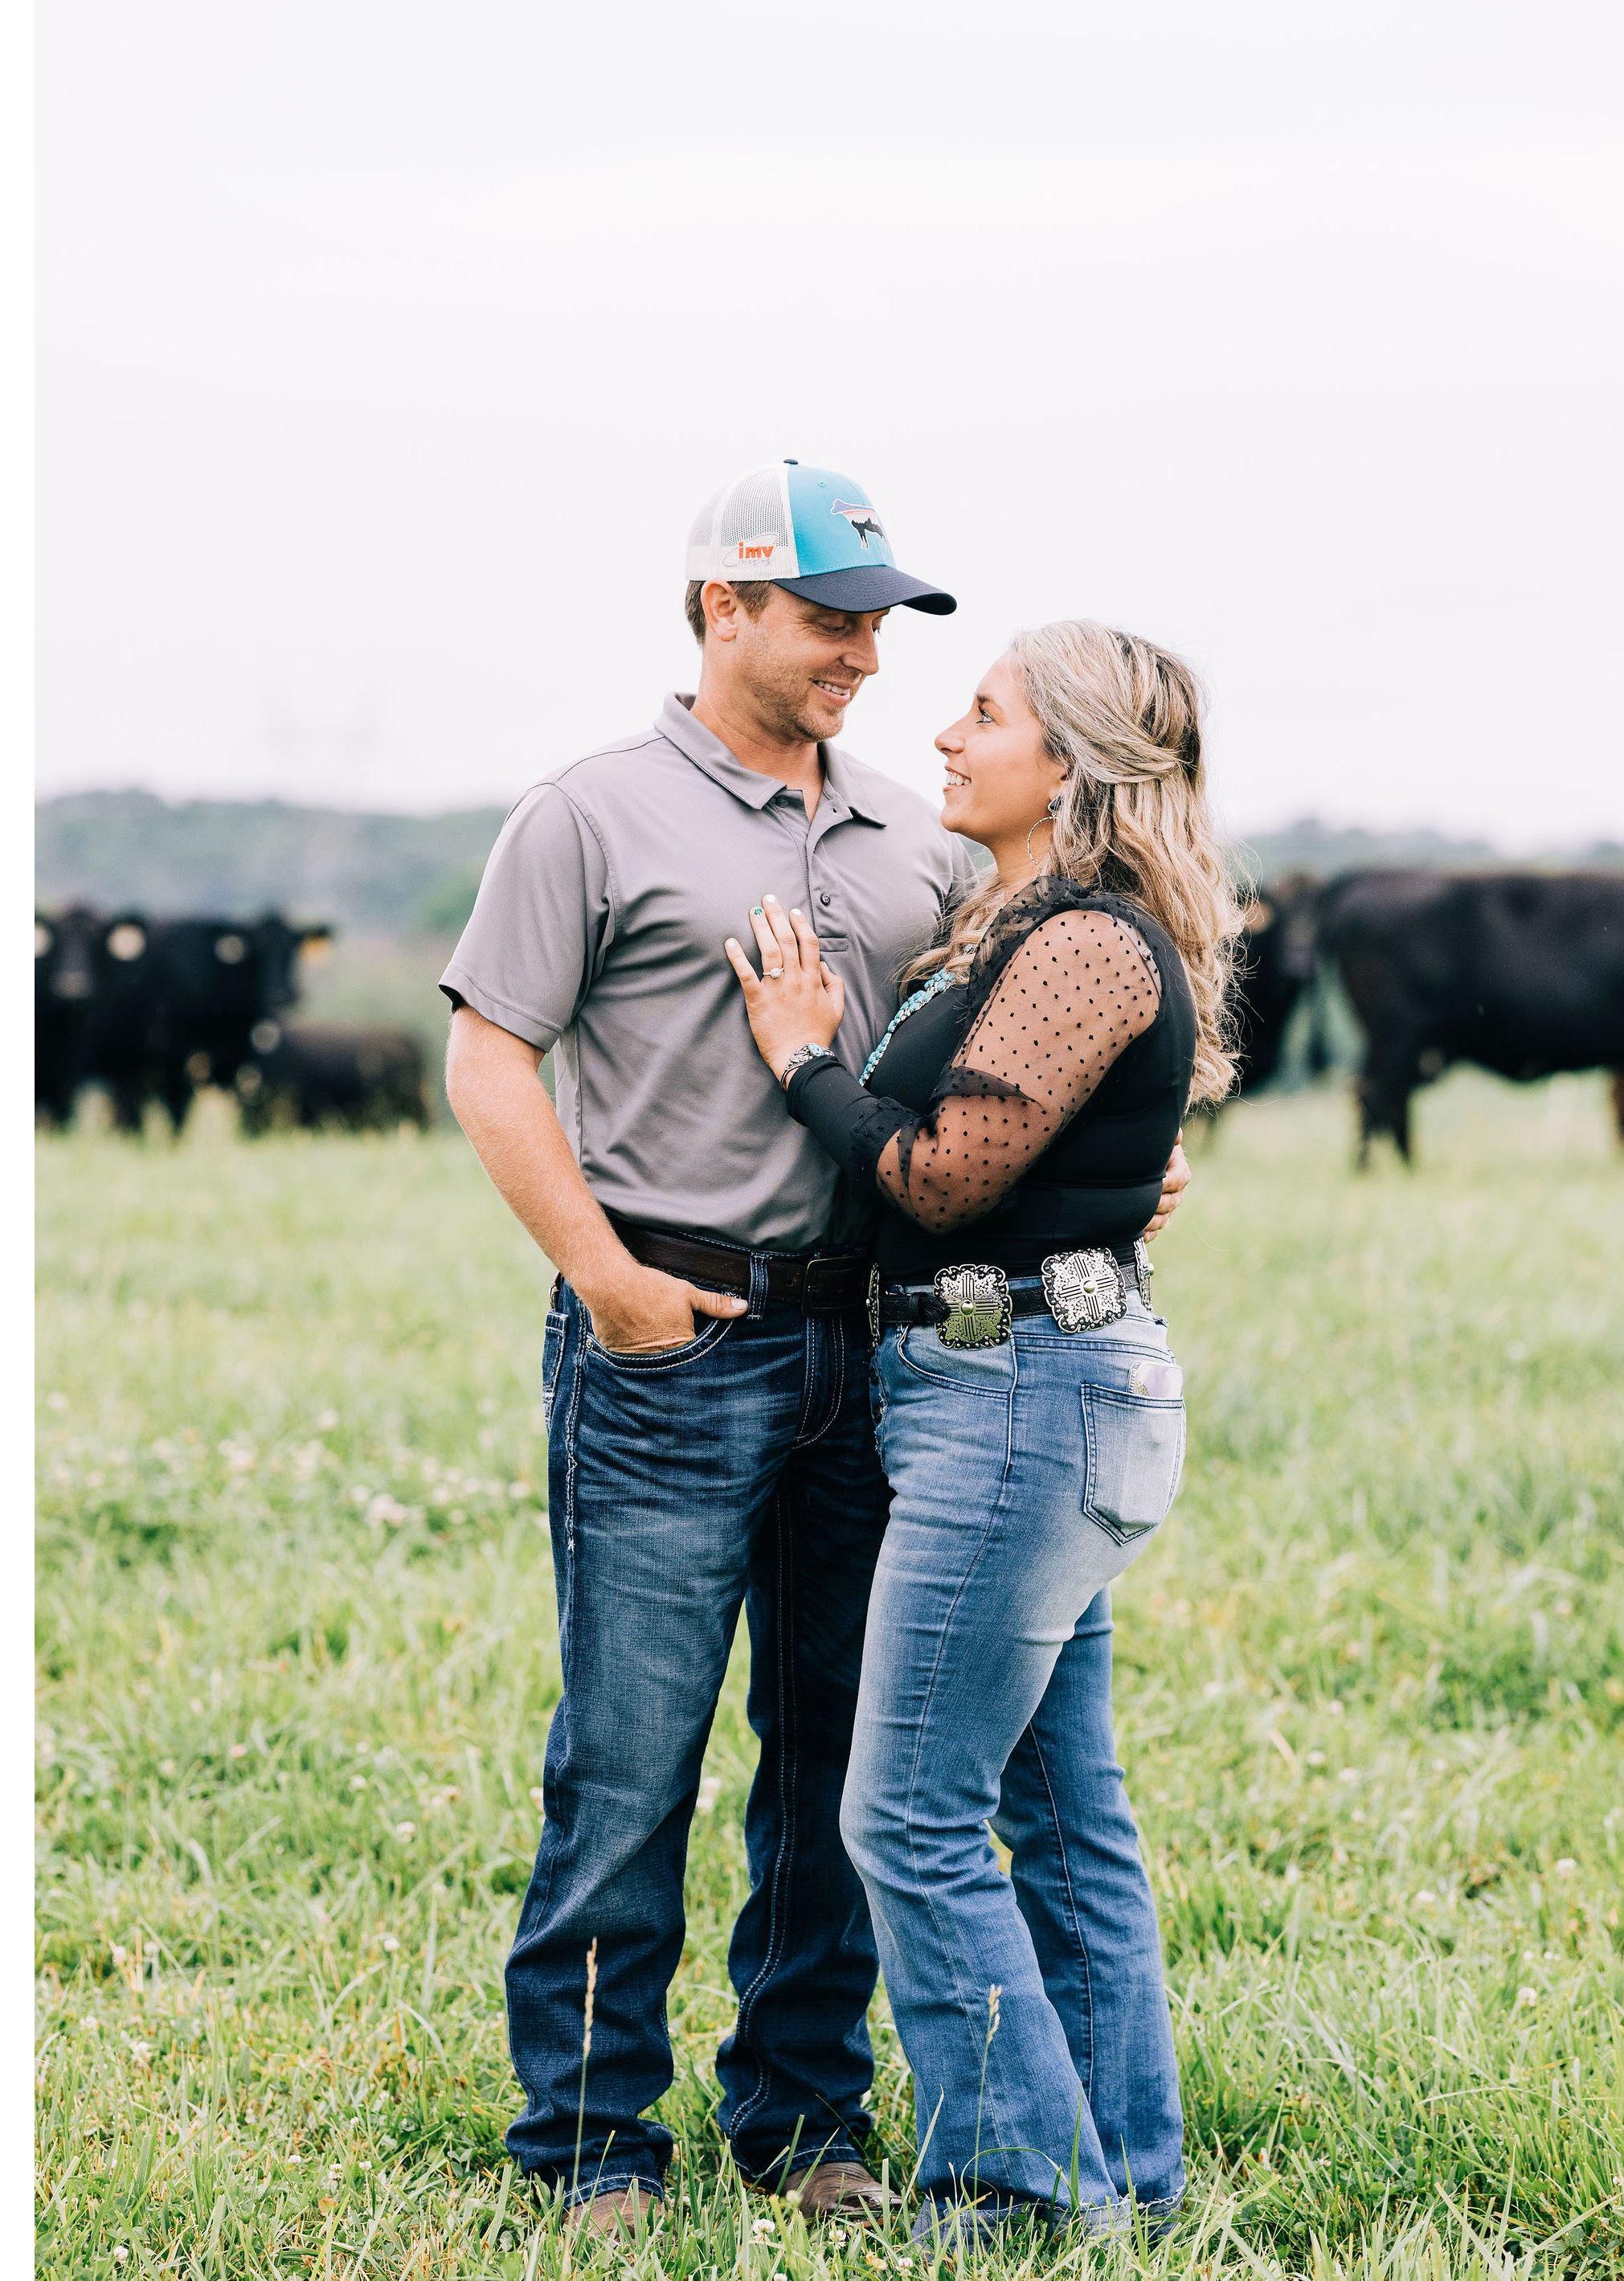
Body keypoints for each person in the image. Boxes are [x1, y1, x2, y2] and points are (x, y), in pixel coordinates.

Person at [439, 464, 1192, 2234]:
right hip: (666, 1339)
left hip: (880, 1355)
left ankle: (801, 2115)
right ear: (723, 608)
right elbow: (491, 1061)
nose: (867, 650)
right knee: (628, 1757)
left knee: (840, 1752)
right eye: (832, 615)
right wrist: (601, 1275)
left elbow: (1030, 1042)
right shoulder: (587, 815)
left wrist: (1105, 1181)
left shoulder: (920, 840)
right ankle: (592, 2141)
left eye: (882, 620)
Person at [728, 620, 1237, 2244]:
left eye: (984, 712)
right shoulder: (1018, 930)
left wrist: (803, 1055)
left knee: (907, 1815)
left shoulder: (1088, 942)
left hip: (1023, 1399)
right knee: (1058, 1815)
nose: (943, 734)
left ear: (1071, 765)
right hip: (1013, 1387)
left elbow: (944, 1176)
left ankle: (1015, 2184)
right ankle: (1122, 2181)